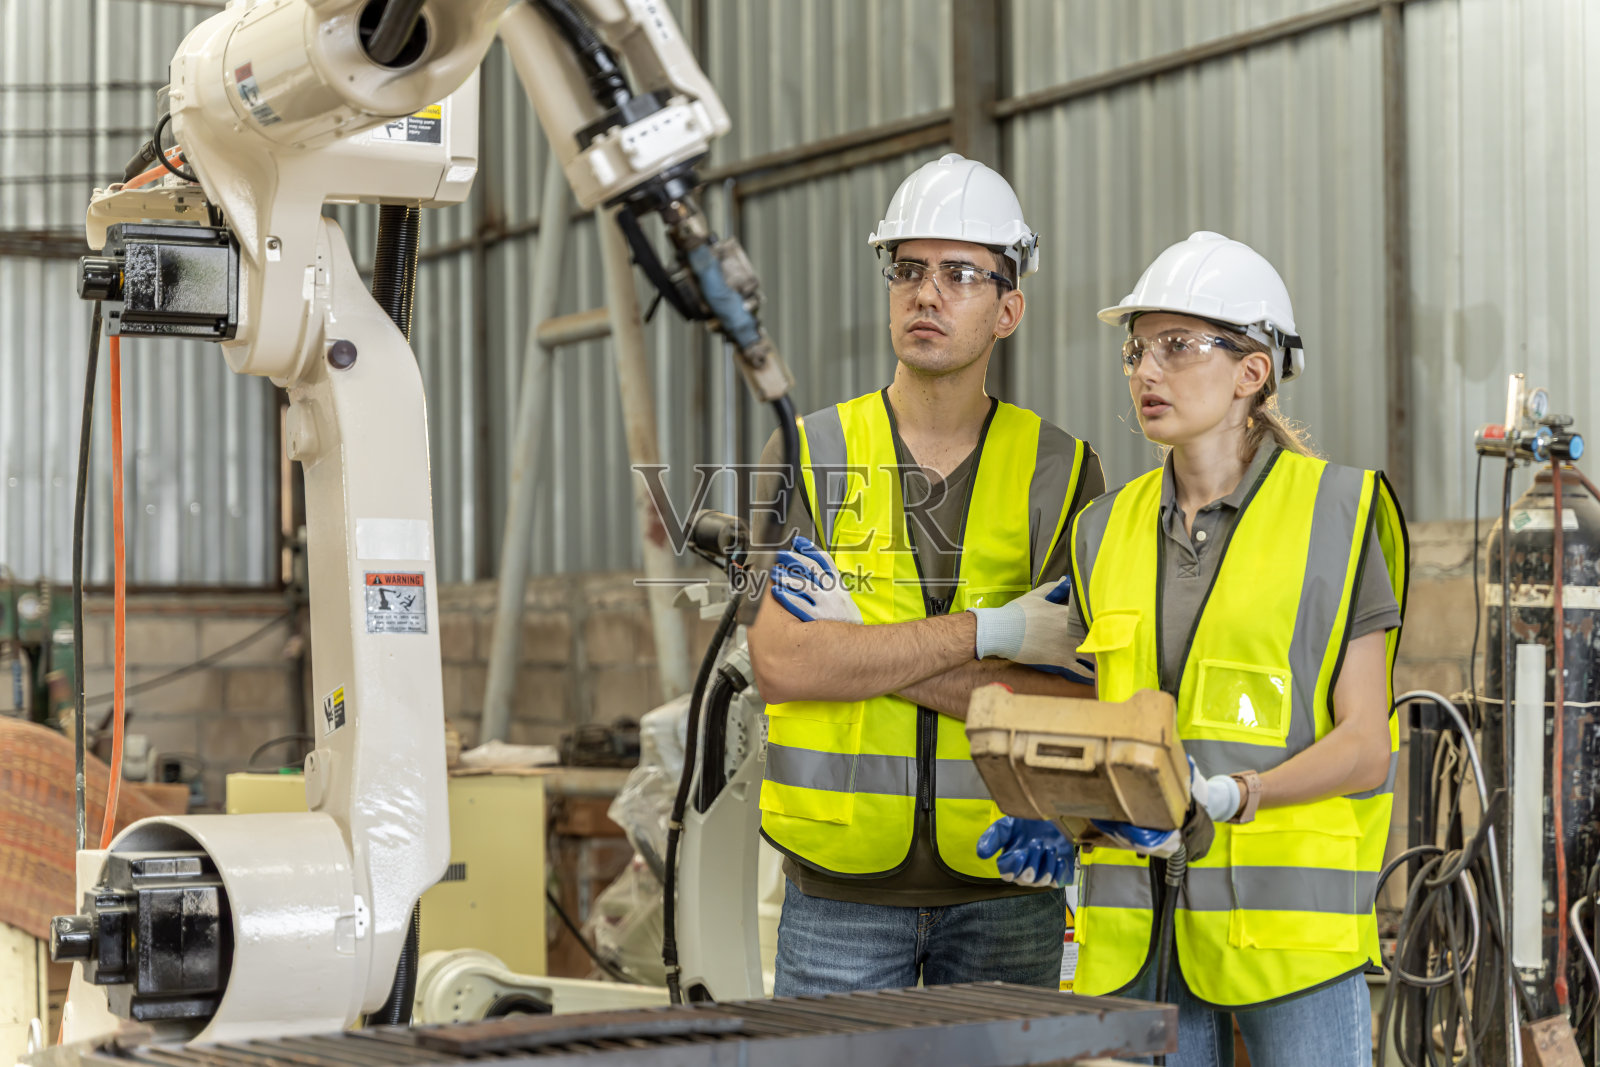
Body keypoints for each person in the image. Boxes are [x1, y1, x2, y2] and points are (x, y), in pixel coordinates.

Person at [984, 231, 1408, 1066]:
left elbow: (1366, 746)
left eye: (1177, 347)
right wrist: (1061, 812)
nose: (1146, 371)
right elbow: (1113, 721)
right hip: (1140, 938)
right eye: (1137, 350)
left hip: (1288, 945)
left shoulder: (1342, 514)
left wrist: (1230, 794)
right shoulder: (1103, 529)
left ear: (1254, 372)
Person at [745, 153, 1106, 994]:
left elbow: (1074, 701)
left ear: (1009, 307)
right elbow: (785, 663)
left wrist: (859, 647)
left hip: (1006, 881)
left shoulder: (1064, 471)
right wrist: (994, 635)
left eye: (958, 274)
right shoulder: (806, 453)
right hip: (836, 889)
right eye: (907, 269)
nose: (925, 293)